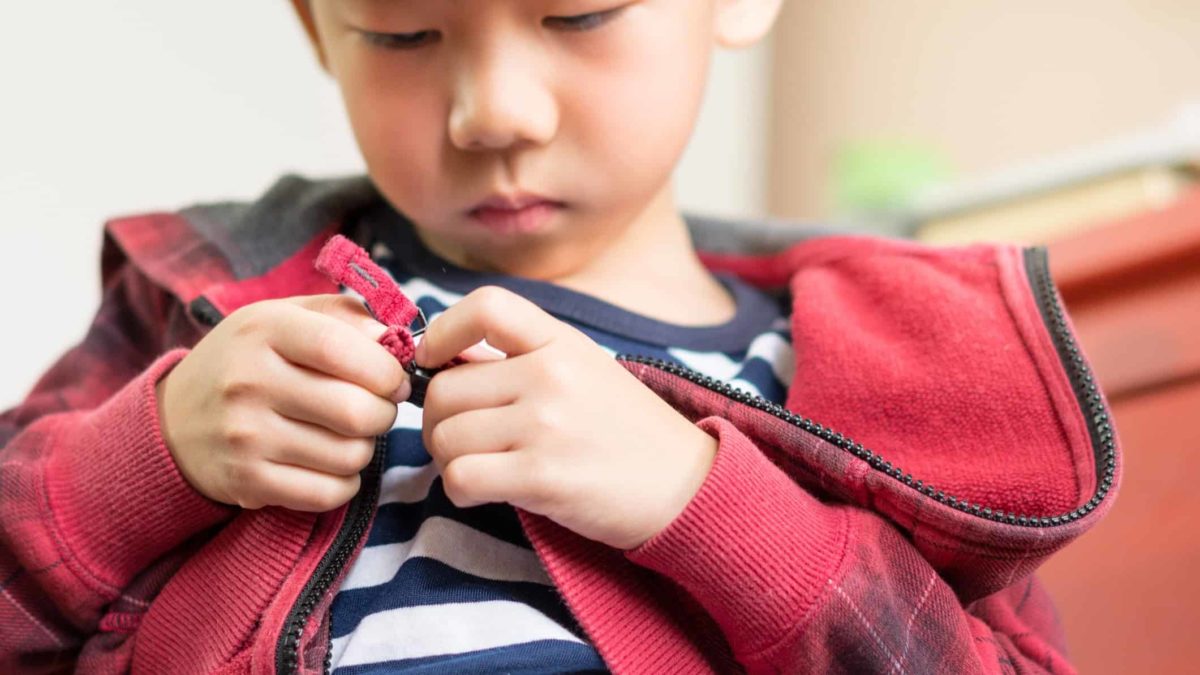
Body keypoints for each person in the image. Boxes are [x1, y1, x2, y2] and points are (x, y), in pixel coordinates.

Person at [0, 1, 1120, 673]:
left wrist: (711, 508)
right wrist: (144, 461)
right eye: (404, 31)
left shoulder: (886, 377)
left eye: (578, 12)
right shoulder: (204, 314)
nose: (494, 111)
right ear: (316, 25)